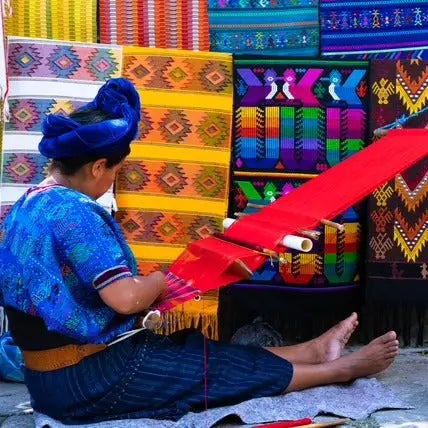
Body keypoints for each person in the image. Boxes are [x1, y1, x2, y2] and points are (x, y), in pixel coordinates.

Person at [0, 78, 399, 425]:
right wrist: (161, 279)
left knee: (191, 349)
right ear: (97, 166)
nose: (114, 181)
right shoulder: (75, 214)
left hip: (53, 377)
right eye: (117, 172)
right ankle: (340, 370)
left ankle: (310, 351)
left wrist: (162, 281)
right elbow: (124, 300)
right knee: (208, 372)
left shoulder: (29, 204)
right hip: (85, 382)